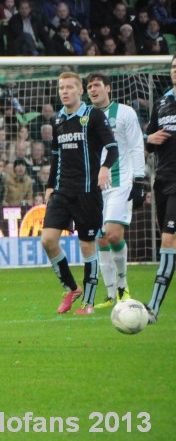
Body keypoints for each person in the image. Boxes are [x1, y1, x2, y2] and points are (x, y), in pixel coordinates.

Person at [41, 72, 118, 316]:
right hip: (62, 191)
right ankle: (72, 288)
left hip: (87, 192)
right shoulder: (58, 119)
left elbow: (112, 147)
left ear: (80, 91)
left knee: (87, 245)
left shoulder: (93, 116)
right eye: (61, 87)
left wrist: (105, 168)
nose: (64, 91)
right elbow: (55, 156)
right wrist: (50, 185)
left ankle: (89, 303)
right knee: (48, 240)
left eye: (69, 87)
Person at [86, 73, 146, 309]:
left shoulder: (124, 113)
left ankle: (123, 287)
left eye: (97, 85)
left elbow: (135, 145)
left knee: (113, 235)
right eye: (89, 86)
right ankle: (111, 295)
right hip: (93, 187)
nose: (93, 90)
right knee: (100, 240)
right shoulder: (85, 116)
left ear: (107, 88)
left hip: (121, 183)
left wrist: (140, 180)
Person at [143, 55, 176, 324]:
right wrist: (148, 138)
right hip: (162, 179)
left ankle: (152, 307)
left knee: (168, 241)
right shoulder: (163, 104)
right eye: (174, 67)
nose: (175, 71)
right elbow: (149, 140)